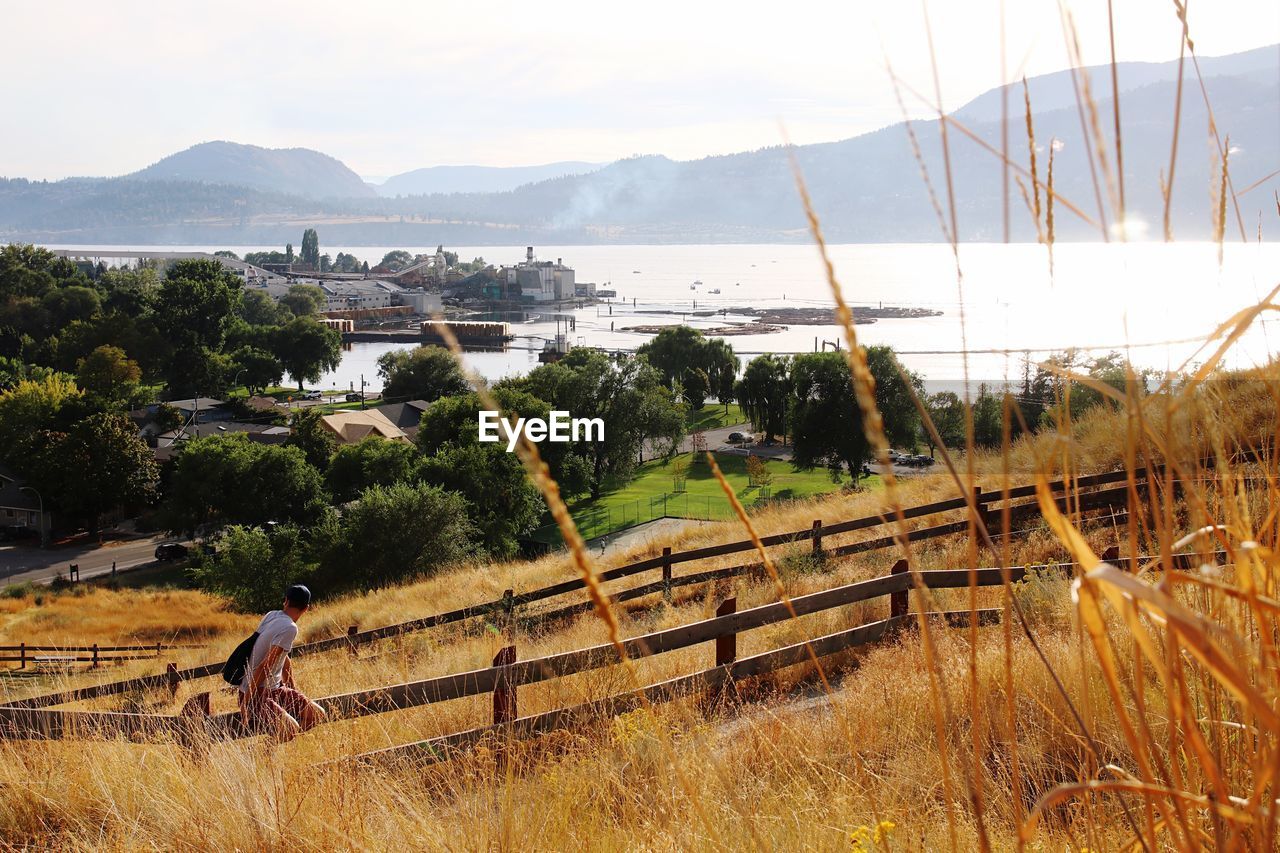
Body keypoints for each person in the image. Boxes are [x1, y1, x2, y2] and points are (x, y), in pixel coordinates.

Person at [240, 584, 327, 741]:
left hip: (275, 689)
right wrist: (246, 702)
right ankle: (266, 749)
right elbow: (265, 666)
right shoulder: (289, 627)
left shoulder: (271, 615)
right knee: (290, 728)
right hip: (255, 692)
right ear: (306, 608)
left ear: (285, 601)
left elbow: (282, 656)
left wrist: (291, 687)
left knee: (318, 714)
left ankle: (273, 739)